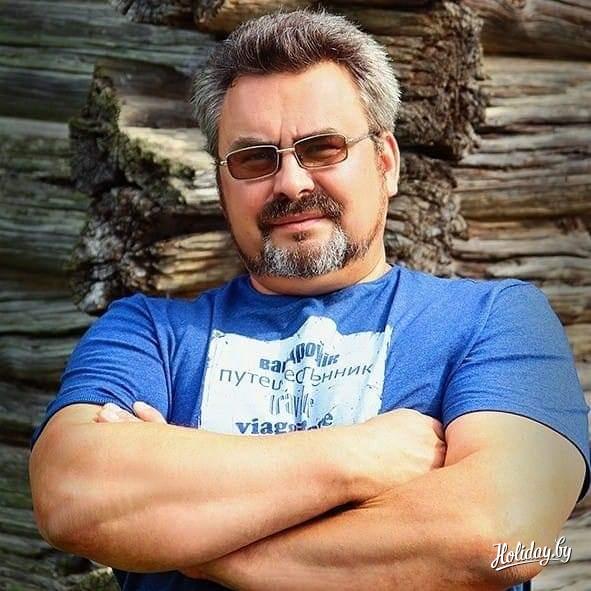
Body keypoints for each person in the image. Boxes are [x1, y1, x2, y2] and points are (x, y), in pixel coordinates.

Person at [29, 9, 589, 591]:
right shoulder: (149, 333)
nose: (292, 183)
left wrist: (196, 547)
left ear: (385, 163)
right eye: (253, 159)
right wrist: (354, 458)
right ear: (221, 185)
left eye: (322, 148)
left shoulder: (497, 321)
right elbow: (71, 495)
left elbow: (497, 536)